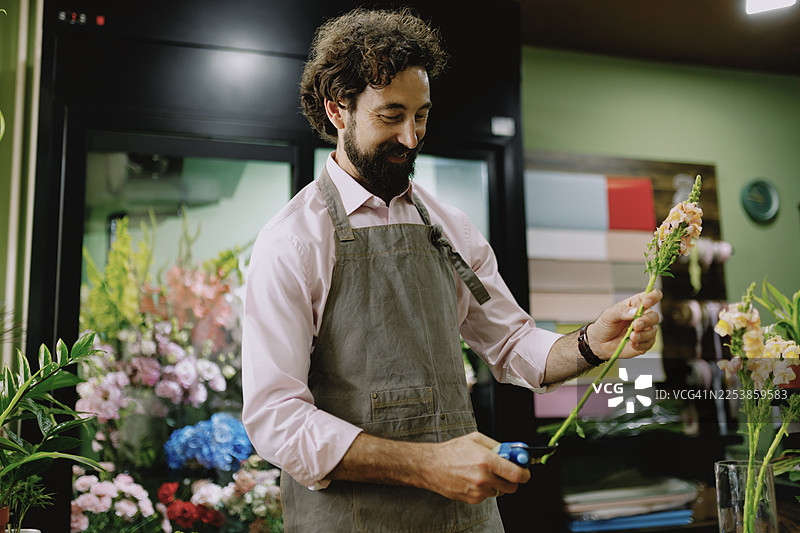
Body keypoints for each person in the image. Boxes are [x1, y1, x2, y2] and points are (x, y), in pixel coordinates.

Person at [241, 7, 662, 532]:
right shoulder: (293, 242)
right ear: (337, 111)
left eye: (421, 115)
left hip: (465, 521)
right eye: (391, 116)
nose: (413, 138)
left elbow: (512, 345)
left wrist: (592, 343)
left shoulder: (450, 227)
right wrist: (427, 465)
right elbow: (275, 418)